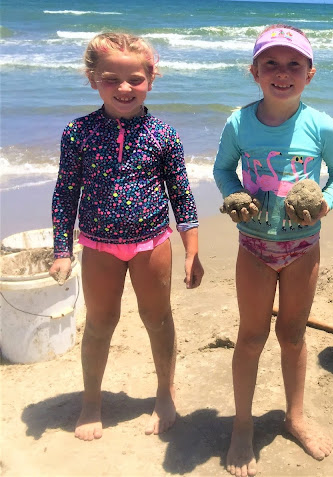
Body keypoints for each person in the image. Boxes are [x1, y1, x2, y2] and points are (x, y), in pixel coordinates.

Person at [49, 32, 204, 441]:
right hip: (98, 245)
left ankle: (165, 392)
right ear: (92, 80)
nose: (124, 88)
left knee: (158, 318)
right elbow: (65, 194)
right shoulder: (78, 133)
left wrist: (191, 251)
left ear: (151, 79)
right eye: (110, 79)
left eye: (135, 79)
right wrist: (62, 250)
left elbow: (182, 196)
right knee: (100, 323)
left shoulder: (163, 135)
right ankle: (91, 402)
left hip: (152, 243)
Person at [214, 24, 333, 476]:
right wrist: (235, 195)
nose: (282, 72)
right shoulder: (239, 123)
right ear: (254, 72)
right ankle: (242, 425)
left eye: (294, 64)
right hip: (254, 247)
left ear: (310, 74)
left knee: (293, 336)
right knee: (251, 337)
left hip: (303, 249)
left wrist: (324, 204)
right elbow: (222, 170)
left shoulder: (320, 124)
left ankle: (295, 416)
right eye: (270, 63)